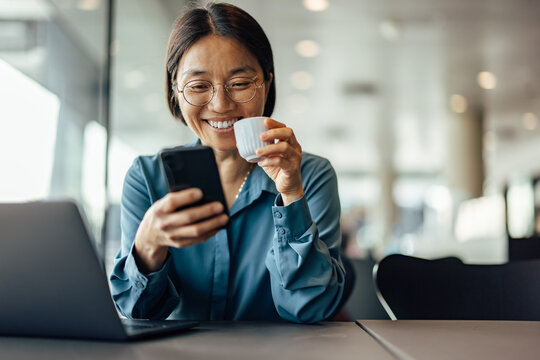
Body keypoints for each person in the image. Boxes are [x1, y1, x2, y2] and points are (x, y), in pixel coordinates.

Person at [109, 2, 345, 323]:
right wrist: (148, 245)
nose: (221, 104)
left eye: (240, 84)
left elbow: (310, 309)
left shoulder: (310, 175)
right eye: (199, 86)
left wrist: (291, 196)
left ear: (267, 84)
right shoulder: (148, 178)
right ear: (175, 91)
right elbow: (137, 313)